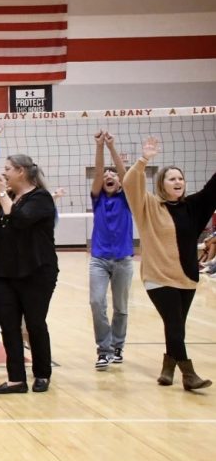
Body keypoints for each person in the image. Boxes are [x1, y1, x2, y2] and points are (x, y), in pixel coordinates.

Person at [124, 137, 216, 390]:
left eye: (180, 178)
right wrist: (144, 159)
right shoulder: (148, 205)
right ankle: (189, 374)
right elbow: (130, 184)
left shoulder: (192, 207)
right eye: (172, 178)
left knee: (175, 326)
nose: (178, 182)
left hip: (186, 276)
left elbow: (213, 188)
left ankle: (168, 368)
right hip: (158, 276)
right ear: (161, 184)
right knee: (174, 324)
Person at [0, 155, 58, 394]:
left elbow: (22, 220)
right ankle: (16, 378)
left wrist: (3, 195)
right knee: (9, 326)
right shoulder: (10, 198)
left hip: (36, 272)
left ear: (22, 172)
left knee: (34, 324)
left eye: (8, 169)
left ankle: (42, 374)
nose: (4, 173)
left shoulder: (41, 198)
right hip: (6, 273)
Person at [89, 130, 133, 370]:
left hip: (124, 260)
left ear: (119, 182)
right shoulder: (98, 198)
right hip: (99, 260)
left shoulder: (127, 197)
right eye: (106, 174)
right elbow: (98, 173)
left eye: (112, 175)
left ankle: (117, 345)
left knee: (121, 307)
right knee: (97, 303)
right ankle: (103, 349)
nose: (108, 175)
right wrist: (99, 147)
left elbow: (125, 174)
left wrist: (112, 147)